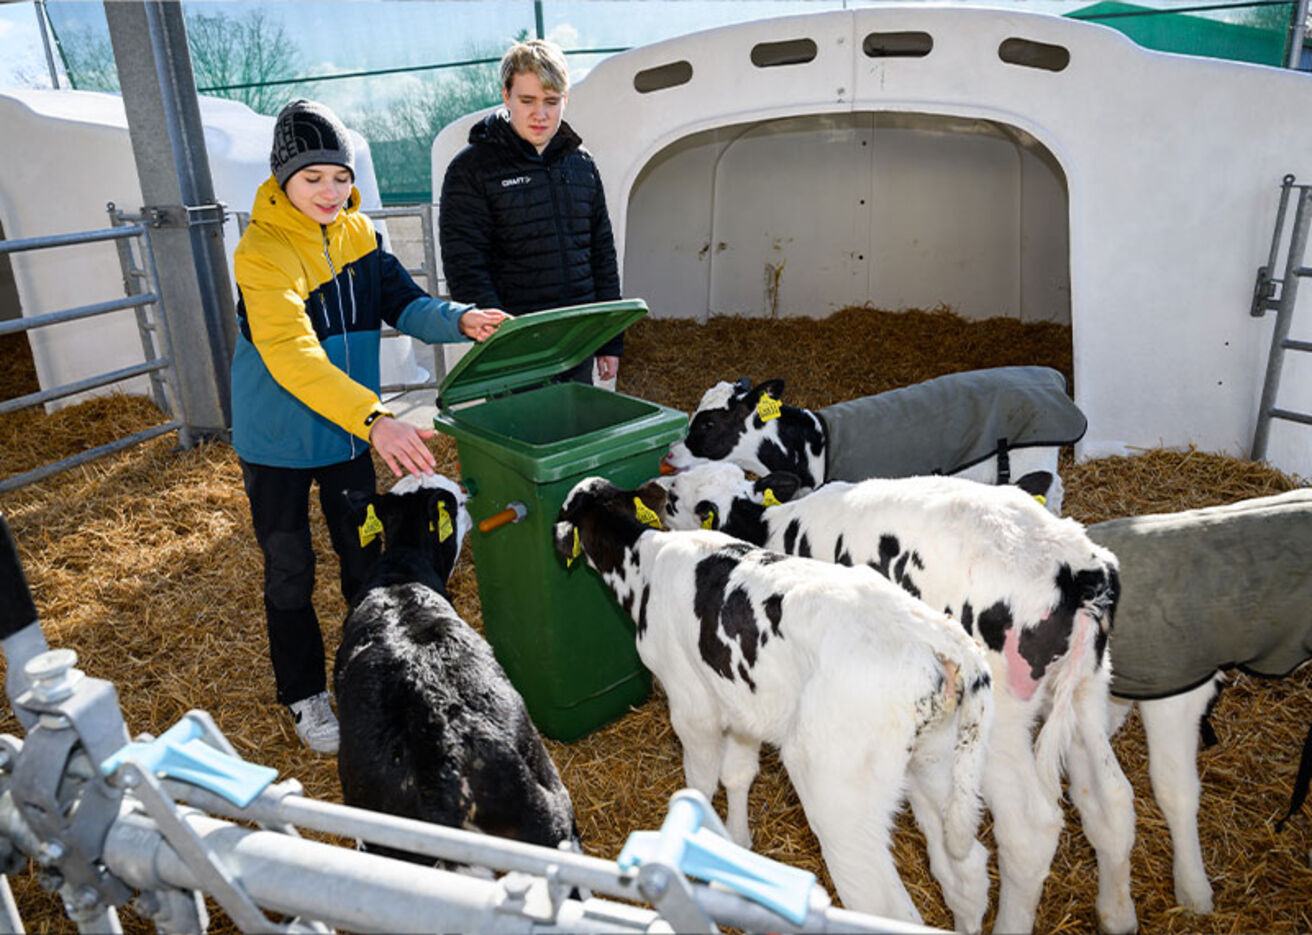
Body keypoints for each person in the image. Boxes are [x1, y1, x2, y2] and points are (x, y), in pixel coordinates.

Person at [231, 99, 506, 754]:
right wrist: (378, 418)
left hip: (347, 436)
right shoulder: (262, 253)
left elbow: (407, 303)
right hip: (279, 444)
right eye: (312, 178)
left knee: (364, 562)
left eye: (340, 176)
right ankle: (304, 696)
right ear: (282, 180)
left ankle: (373, 674)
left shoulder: (361, 238)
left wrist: (461, 318)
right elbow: (293, 355)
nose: (330, 191)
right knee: (290, 569)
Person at [439, 38, 623, 385]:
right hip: (516, 351)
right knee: (526, 435)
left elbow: (601, 254)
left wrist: (609, 339)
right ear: (506, 96)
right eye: (528, 100)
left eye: (552, 102)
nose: (540, 114)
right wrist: (504, 339)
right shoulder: (472, 169)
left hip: (576, 342)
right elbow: (465, 264)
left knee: (574, 433)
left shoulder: (582, 164)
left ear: (565, 100)